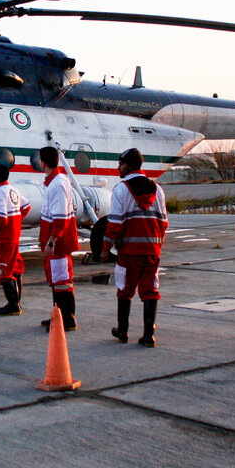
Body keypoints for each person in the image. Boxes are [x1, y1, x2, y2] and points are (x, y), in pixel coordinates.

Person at [101, 148, 167, 347]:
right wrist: (157, 243)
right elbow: (163, 222)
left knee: (124, 289)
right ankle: (149, 335)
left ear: (128, 165)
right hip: (152, 250)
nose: (118, 167)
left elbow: (115, 223)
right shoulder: (158, 189)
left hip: (129, 251)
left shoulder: (121, 189)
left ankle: (122, 331)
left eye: (120, 164)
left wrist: (105, 248)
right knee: (150, 291)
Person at [38, 146, 79, 331]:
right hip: (55, 241)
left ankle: (68, 319)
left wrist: (52, 240)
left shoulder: (58, 184)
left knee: (62, 280)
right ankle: (58, 316)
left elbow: (60, 217)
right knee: (57, 280)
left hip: (58, 244)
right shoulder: (55, 181)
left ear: (43, 162)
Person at [0, 164, 31, 316]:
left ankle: (13, 304)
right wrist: (18, 222)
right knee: (15, 267)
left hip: (5, 237)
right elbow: (27, 206)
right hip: (14, 235)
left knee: (4, 269)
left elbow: (1, 218)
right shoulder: (14, 190)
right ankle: (16, 302)